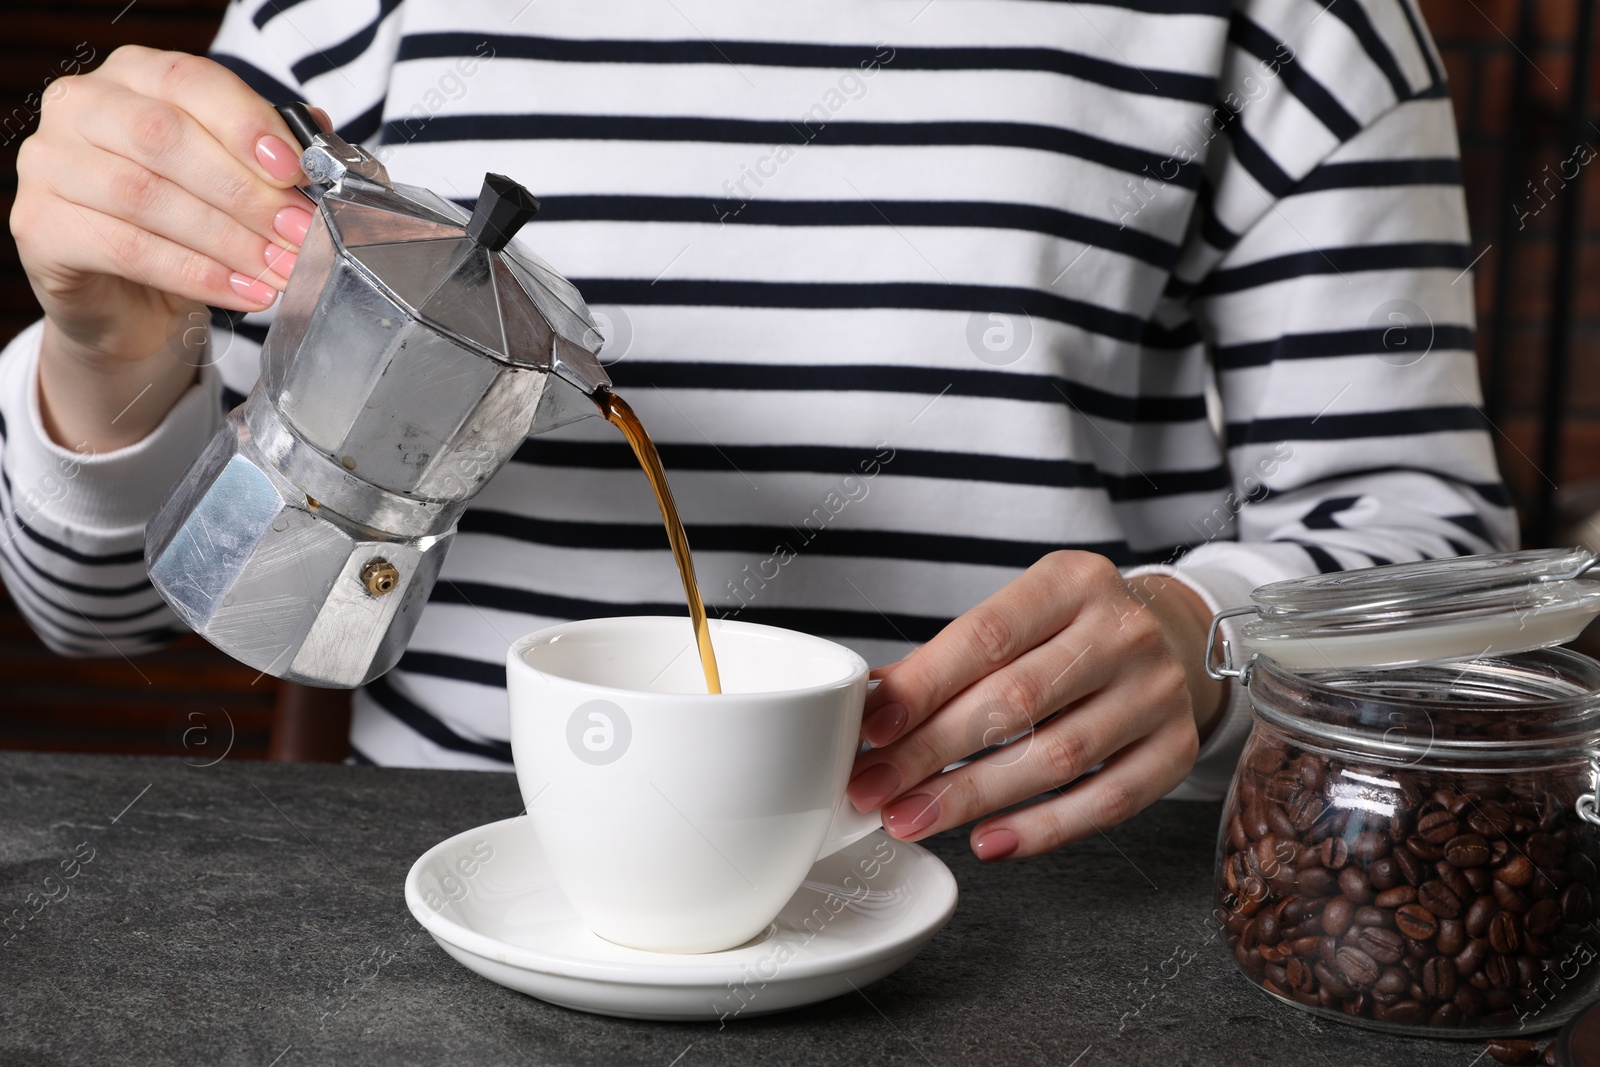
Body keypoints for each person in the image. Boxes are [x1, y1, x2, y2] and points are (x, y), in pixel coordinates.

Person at [4, 0, 1512, 862]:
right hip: (462, 884)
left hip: (1035, 900)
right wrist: (110, 344)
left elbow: (1451, 578)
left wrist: (1210, 632)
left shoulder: (1290, 26)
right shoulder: (363, 16)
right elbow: (102, 611)